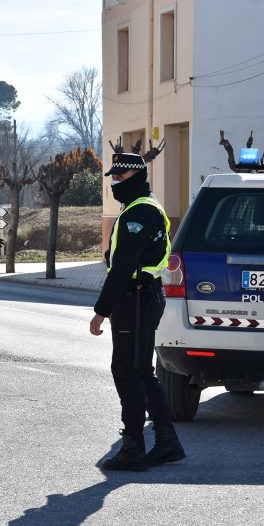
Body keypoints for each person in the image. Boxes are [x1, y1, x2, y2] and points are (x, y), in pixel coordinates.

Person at [89, 153, 185, 471]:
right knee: (142, 372)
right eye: (113, 178)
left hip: (135, 299)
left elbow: (122, 268)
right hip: (144, 296)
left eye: (121, 177)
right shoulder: (144, 205)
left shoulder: (139, 212)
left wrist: (101, 310)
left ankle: (133, 449)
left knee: (127, 373)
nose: (115, 183)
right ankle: (167, 443)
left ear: (137, 177)